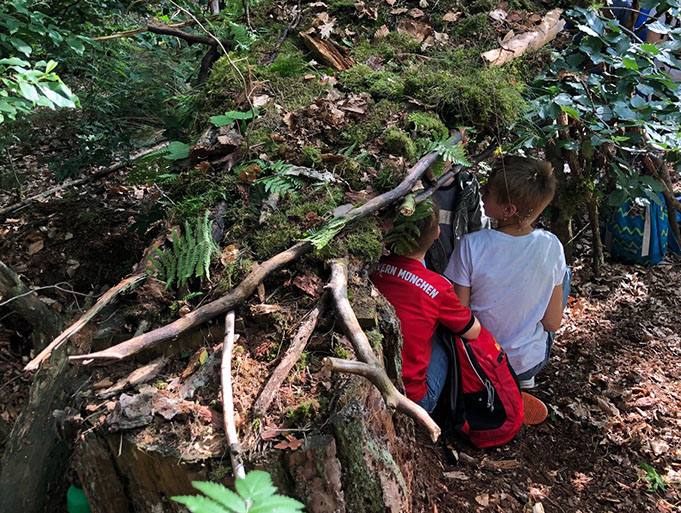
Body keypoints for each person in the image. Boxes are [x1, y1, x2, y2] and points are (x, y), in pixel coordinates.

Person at [444, 156, 570, 389]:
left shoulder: (471, 245)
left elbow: (460, 316)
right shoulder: (551, 244)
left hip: (480, 358)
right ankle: (520, 375)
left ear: (509, 210)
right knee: (563, 273)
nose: (481, 191)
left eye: (489, 191)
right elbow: (552, 324)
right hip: (527, 363)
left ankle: (497, 378)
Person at [371, 199, 495, 413]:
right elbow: (472, 331)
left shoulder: (372, 268)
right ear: (437, 233)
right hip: (415, 399)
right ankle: (448, 405)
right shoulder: (438, 287)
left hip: (375, 382)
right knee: (449, 335)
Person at [424, 164, 489, 274]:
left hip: (459, 270)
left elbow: (479, 232)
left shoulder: (467, 187)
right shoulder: (412, 186)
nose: (434, 162)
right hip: (424, 274)